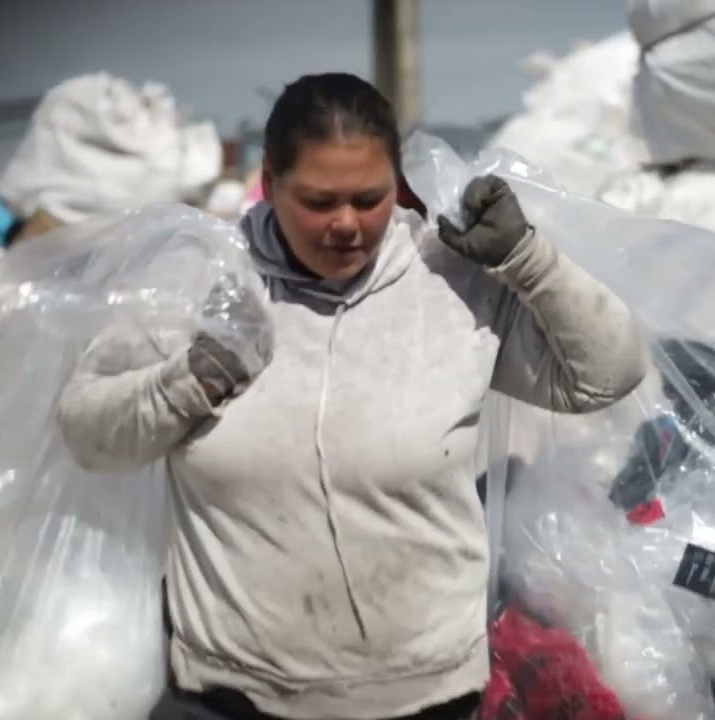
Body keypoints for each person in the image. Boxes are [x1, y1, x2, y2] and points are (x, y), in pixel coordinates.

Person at [56, 72, 649, 720]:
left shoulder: (448, 281)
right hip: (229, 695)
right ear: (270, 179)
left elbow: (606, 373)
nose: (346, 225)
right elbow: (88, 434)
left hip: (427, 698)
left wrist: (526, 259)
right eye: (318, 201)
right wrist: (191, 379)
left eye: (369, 199)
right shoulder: (198, 280)